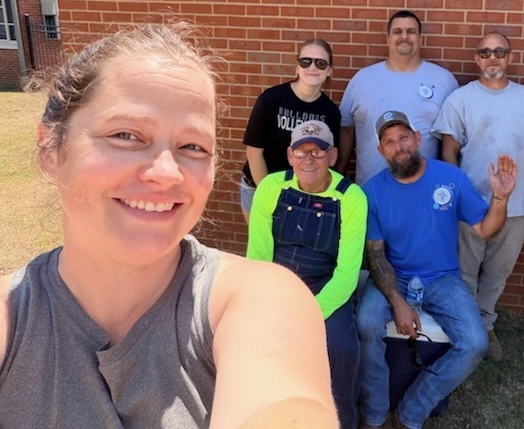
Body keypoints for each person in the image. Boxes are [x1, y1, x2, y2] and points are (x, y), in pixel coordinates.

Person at [0, 25, 338, 428]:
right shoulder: (12, 319)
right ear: (51, 150)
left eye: (193, 146)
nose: (166, 172)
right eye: (125, 135)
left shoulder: (259, 302)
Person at [357, 110, 517, 429]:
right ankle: (374, 414)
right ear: (380, 151)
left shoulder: (451, 178)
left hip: (443, 278)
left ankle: (410, 413)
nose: (398, 146)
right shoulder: (372, 191)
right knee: (366, 323)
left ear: (418, 138)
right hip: (394, 276)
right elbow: (376, 257)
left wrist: (500, 199)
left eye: (404, 137)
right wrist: (399, 304)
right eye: (389, 142)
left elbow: (486, 230)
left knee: (475, 342)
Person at [432, 31, 524, 361]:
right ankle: (464, 328)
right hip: (470, 203)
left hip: (515, 203)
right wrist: (454, 193)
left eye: (499, 52)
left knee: (498, 272)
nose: (492, 58)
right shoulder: (461, 99)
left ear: (510, 58)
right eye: (485, 53)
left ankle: (484, 325)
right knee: (465, 270)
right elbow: (449, 148)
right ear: (477, 59)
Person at [247, 119, 367, 429]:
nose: (309, 158)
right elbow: (259, 257)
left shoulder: (351, 197)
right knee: (252, 342)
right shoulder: (271, 187)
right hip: (279, 284)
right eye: (301, 151)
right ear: (289, 155)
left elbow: (346, 273)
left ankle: (342, 420)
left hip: (329, 286)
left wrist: (309, 313)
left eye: (318, 151)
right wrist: (270, 303)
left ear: (332, 155)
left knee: (342, 350)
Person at [336, 10, 457, 185]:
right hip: (370, 192)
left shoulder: (443, 80)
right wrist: (340, 174)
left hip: (425, 192)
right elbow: (346, 130)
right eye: (397, 32)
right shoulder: (362, 79)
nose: (404, 37)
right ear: (388, 39)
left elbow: (451, 139)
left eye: (411, 31)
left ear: (420, 39)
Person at [240, 38, 340, 223]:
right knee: (261, 250)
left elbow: (327, 161)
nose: (312, 67)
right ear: (297, 67)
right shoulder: (271, 100)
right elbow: (254, 153)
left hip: (302, 194)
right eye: (305, 61)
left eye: (321, 63)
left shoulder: (330, 113)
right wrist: (269, 195)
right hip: (260, 187)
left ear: (329, 71)